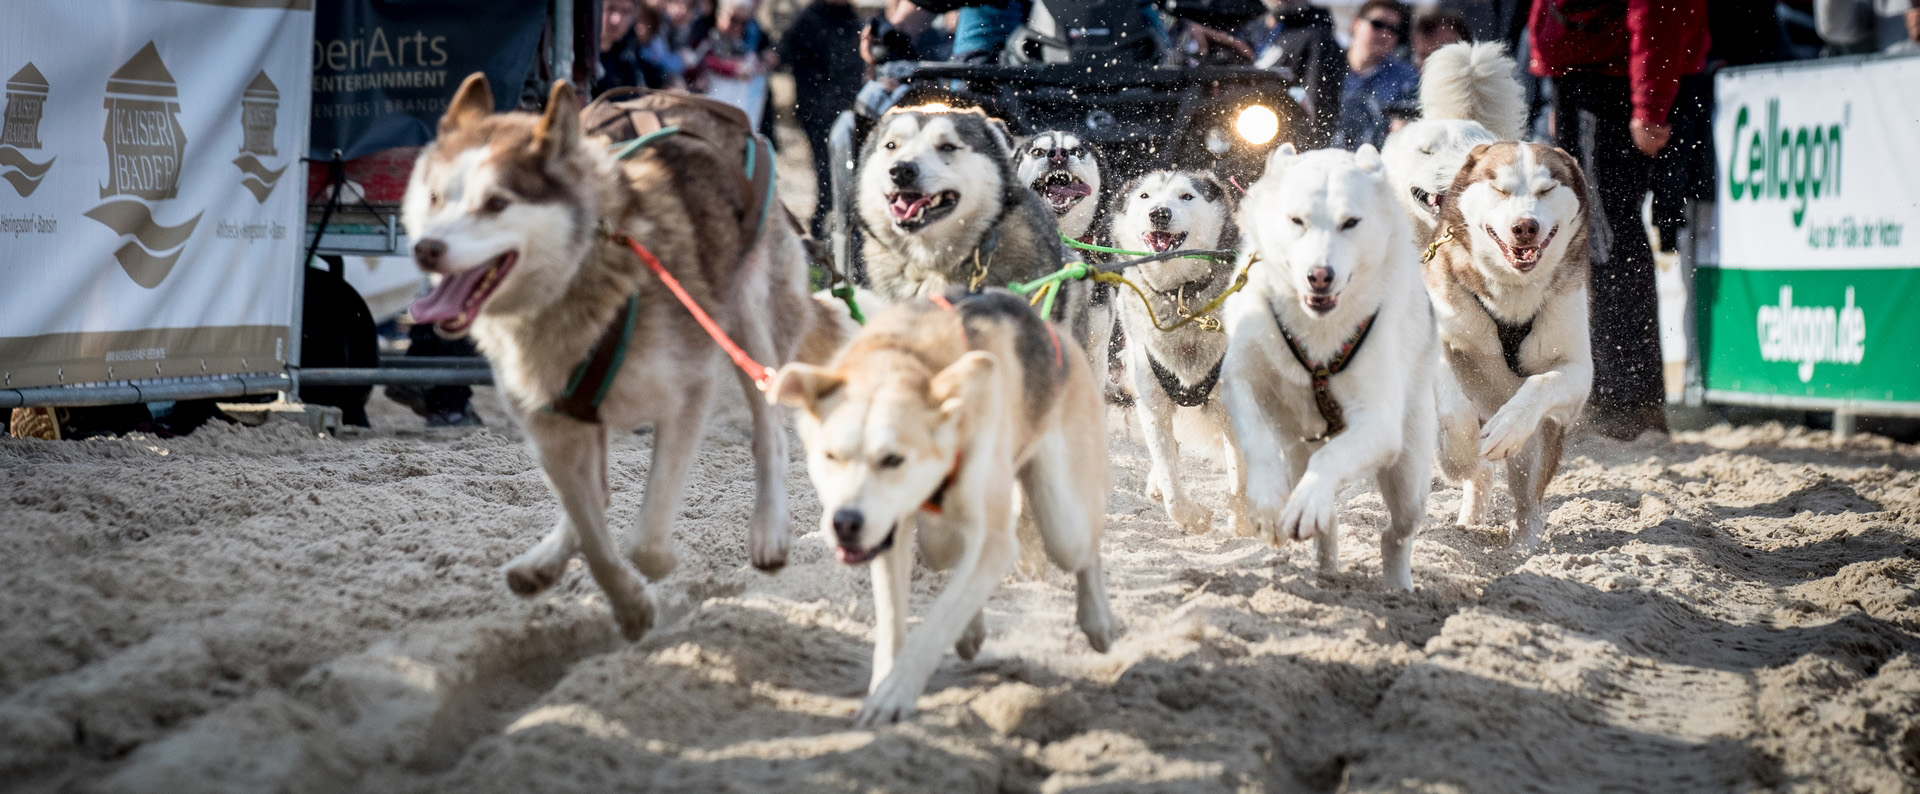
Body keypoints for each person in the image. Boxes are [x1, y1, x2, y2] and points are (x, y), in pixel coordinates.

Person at [1529, 0, 1708, 440]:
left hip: (1609, 82)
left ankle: (1628, 400)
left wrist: (1649, 104)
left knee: (1606, 240)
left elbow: (1656, 12)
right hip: (1584, 75)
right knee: (1600, 240)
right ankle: (1623, 397)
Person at [779, 0, 866, 237]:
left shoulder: (851, 18)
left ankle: (841, 230)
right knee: (827, 173)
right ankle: (820, 232)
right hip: (818, 110)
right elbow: (784, 54)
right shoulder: (809, 19)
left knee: (850, 172)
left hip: (847, 108)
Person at [1238, 0, 1347, 150]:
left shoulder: (1318, 38)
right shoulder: (1243, 29)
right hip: (1226, 135)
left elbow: (1320, 114)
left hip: (1279, 147)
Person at [1333, 0, 1418, 151]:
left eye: (1394, 29)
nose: (1385, 34)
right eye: (1377, 24)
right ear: (1356, 23)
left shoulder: (1407, 78)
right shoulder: (1325, 66)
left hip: (1375, 167)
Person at [596, 0, 667, 94]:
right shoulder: (579, 57)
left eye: (625, 11)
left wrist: (671, 81)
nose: (616, 20)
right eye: (610, 8)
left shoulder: (627, 52)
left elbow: (655, 76)